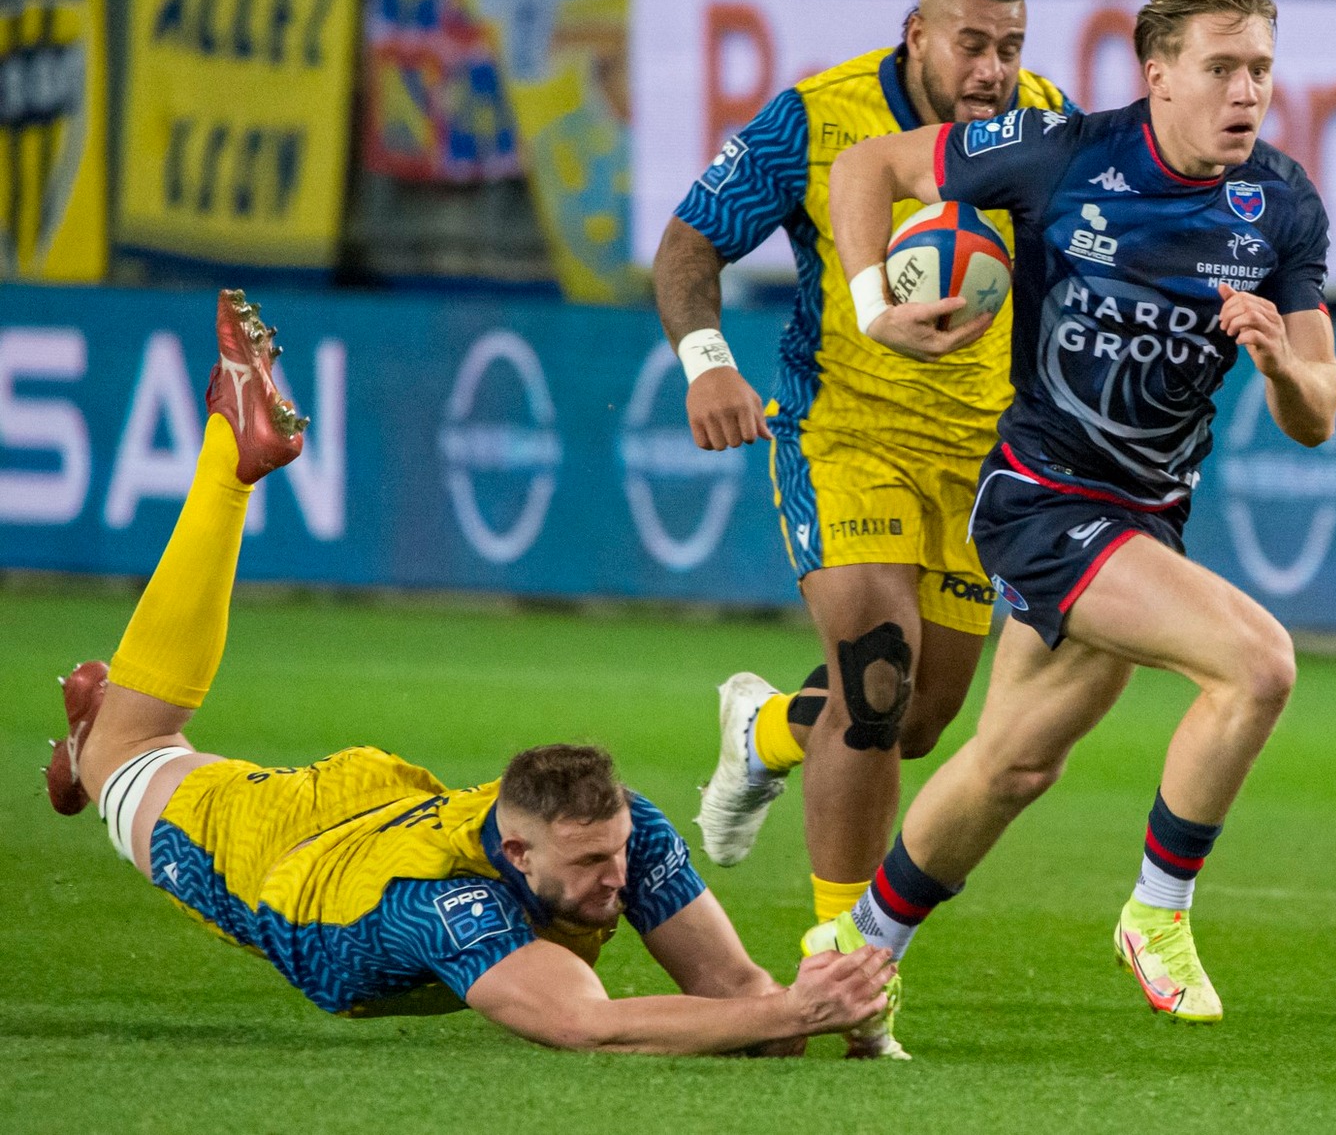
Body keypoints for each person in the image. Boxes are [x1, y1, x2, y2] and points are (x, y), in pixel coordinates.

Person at [39, 290, 894, 1053]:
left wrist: (810, 1006)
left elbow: (741, 1000)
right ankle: (227, 460)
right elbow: (584, 1023)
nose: (618, 877)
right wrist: (791, 1013)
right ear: (516, 849)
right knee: (133, 747)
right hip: (292, 862)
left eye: (617, 852)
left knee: (132, 738)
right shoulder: (450, 904)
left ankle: (90, 742)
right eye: (593, 860)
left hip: (383, 807)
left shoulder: (627, 831)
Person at [822, 0, 1336, 1031]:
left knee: (1011, 764)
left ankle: (854, 948)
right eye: (1220, 69)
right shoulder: (1061, 155)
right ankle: (1157, 911)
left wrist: (1283, 367)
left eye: (1259, 70)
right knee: (1256, 666)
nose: (1245, 92)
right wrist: (874, 303)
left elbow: (1320, 406)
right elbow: (869, 165)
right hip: (1038, 497)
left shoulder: (1280, 204)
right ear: (1157, 75)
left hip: (1143, 514)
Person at [655, 0, 1074, 1059]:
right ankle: (841, 960)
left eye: (1011, 47)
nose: (993, 70)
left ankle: (761, 730)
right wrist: (707, 359)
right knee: (875, 678)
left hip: (980, 458)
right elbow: (687, 245)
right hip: (843, 432)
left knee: (914, 722)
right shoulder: (816, 117)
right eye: (972, 43)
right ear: (916, 35)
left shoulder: (1043, 122)